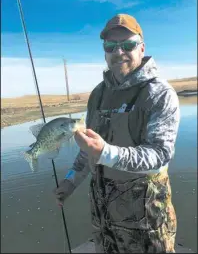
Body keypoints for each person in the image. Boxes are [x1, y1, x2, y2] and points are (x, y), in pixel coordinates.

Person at [54, 14, 180, 253]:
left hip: (147, 221)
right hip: (103, 219)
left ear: (142, 48)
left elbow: (159, 155)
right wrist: (70, 181)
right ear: (104, 52)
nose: (118, 51)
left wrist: (106, 152)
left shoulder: (160, 94)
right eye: (111, 46)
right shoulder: (98, 95)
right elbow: (86, 151)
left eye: (128, 45)